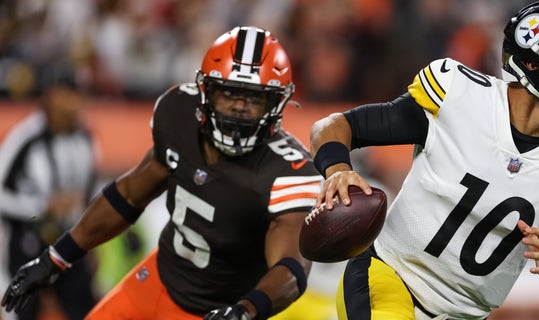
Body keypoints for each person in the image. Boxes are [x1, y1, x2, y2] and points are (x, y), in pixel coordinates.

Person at [309, 1, 539, 319]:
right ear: (534, 63)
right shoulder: (458, 96)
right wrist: (337, 171)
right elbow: (334, 126)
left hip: (465, 314)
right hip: (389, 278)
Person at [1, 25, 323, 320]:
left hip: (215, 313)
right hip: (154, 281)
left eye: (254, 98)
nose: (239, 107)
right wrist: (56, 257)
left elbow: (291, 269)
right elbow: (128, 195)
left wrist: (245, 312)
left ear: (276, 104)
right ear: (206, 91)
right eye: (228, 92)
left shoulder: (288, 171)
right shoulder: (178, 113)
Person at [0, 69, 98, 320]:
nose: (76, 103)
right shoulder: (25, 138)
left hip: (68, 241)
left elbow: (88, 196)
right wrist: (41, 206)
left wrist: (91, 245)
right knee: (21, 311)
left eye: (80, 95)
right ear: (53, 95)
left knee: (86, 311)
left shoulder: (86, 139)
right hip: (26, 242)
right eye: (70, 95)